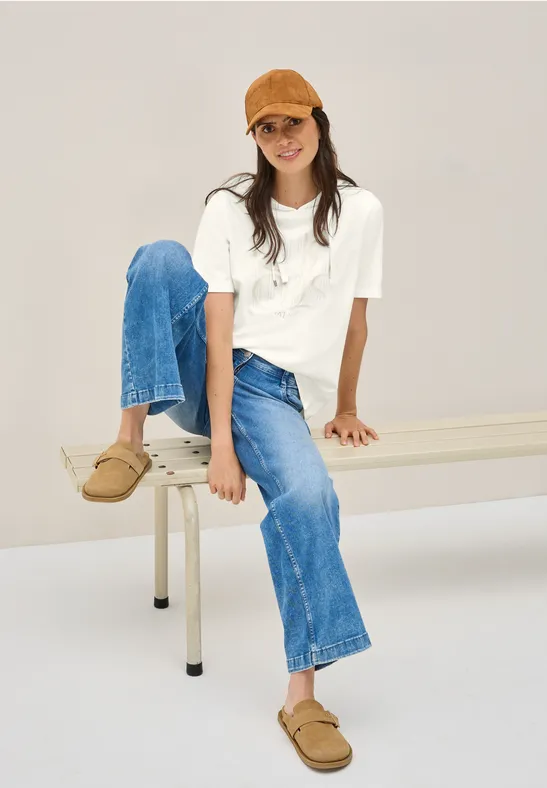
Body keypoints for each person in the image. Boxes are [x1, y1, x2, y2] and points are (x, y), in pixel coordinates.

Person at [81, 68, 383, 770]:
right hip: (208, 373)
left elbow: (356, 321)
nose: (282, 138)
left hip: (274, 393)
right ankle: (128, 438)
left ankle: (301, 697)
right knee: (159, 257)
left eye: (292, 123)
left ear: (318, 123)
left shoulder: (360, 212)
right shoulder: (229, 207)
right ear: (254, 137)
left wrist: (345, 406)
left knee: (309, 495)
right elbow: (217, 331)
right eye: (266, 128)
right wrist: (220, 443)